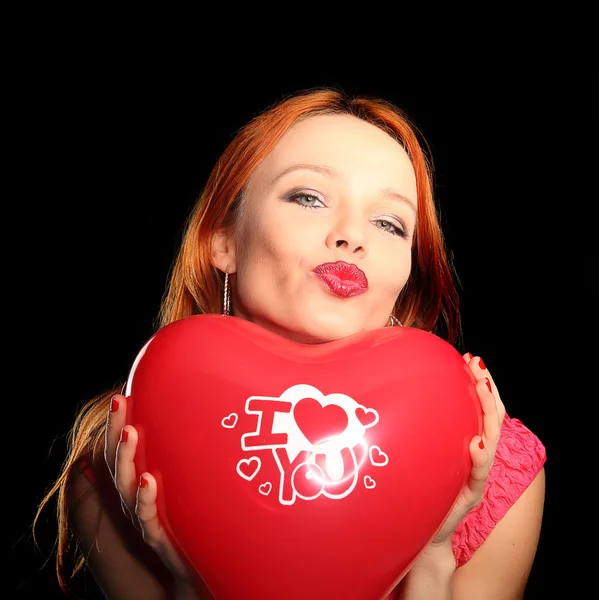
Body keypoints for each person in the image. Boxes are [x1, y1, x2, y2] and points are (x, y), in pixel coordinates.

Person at [33, 87, 546, 599]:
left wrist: (432, 560)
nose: (352, 236)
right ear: (224, 238)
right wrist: (192, 581)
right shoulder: (119, 466)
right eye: (309, 197)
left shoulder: (491, 463)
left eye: (389, 222)